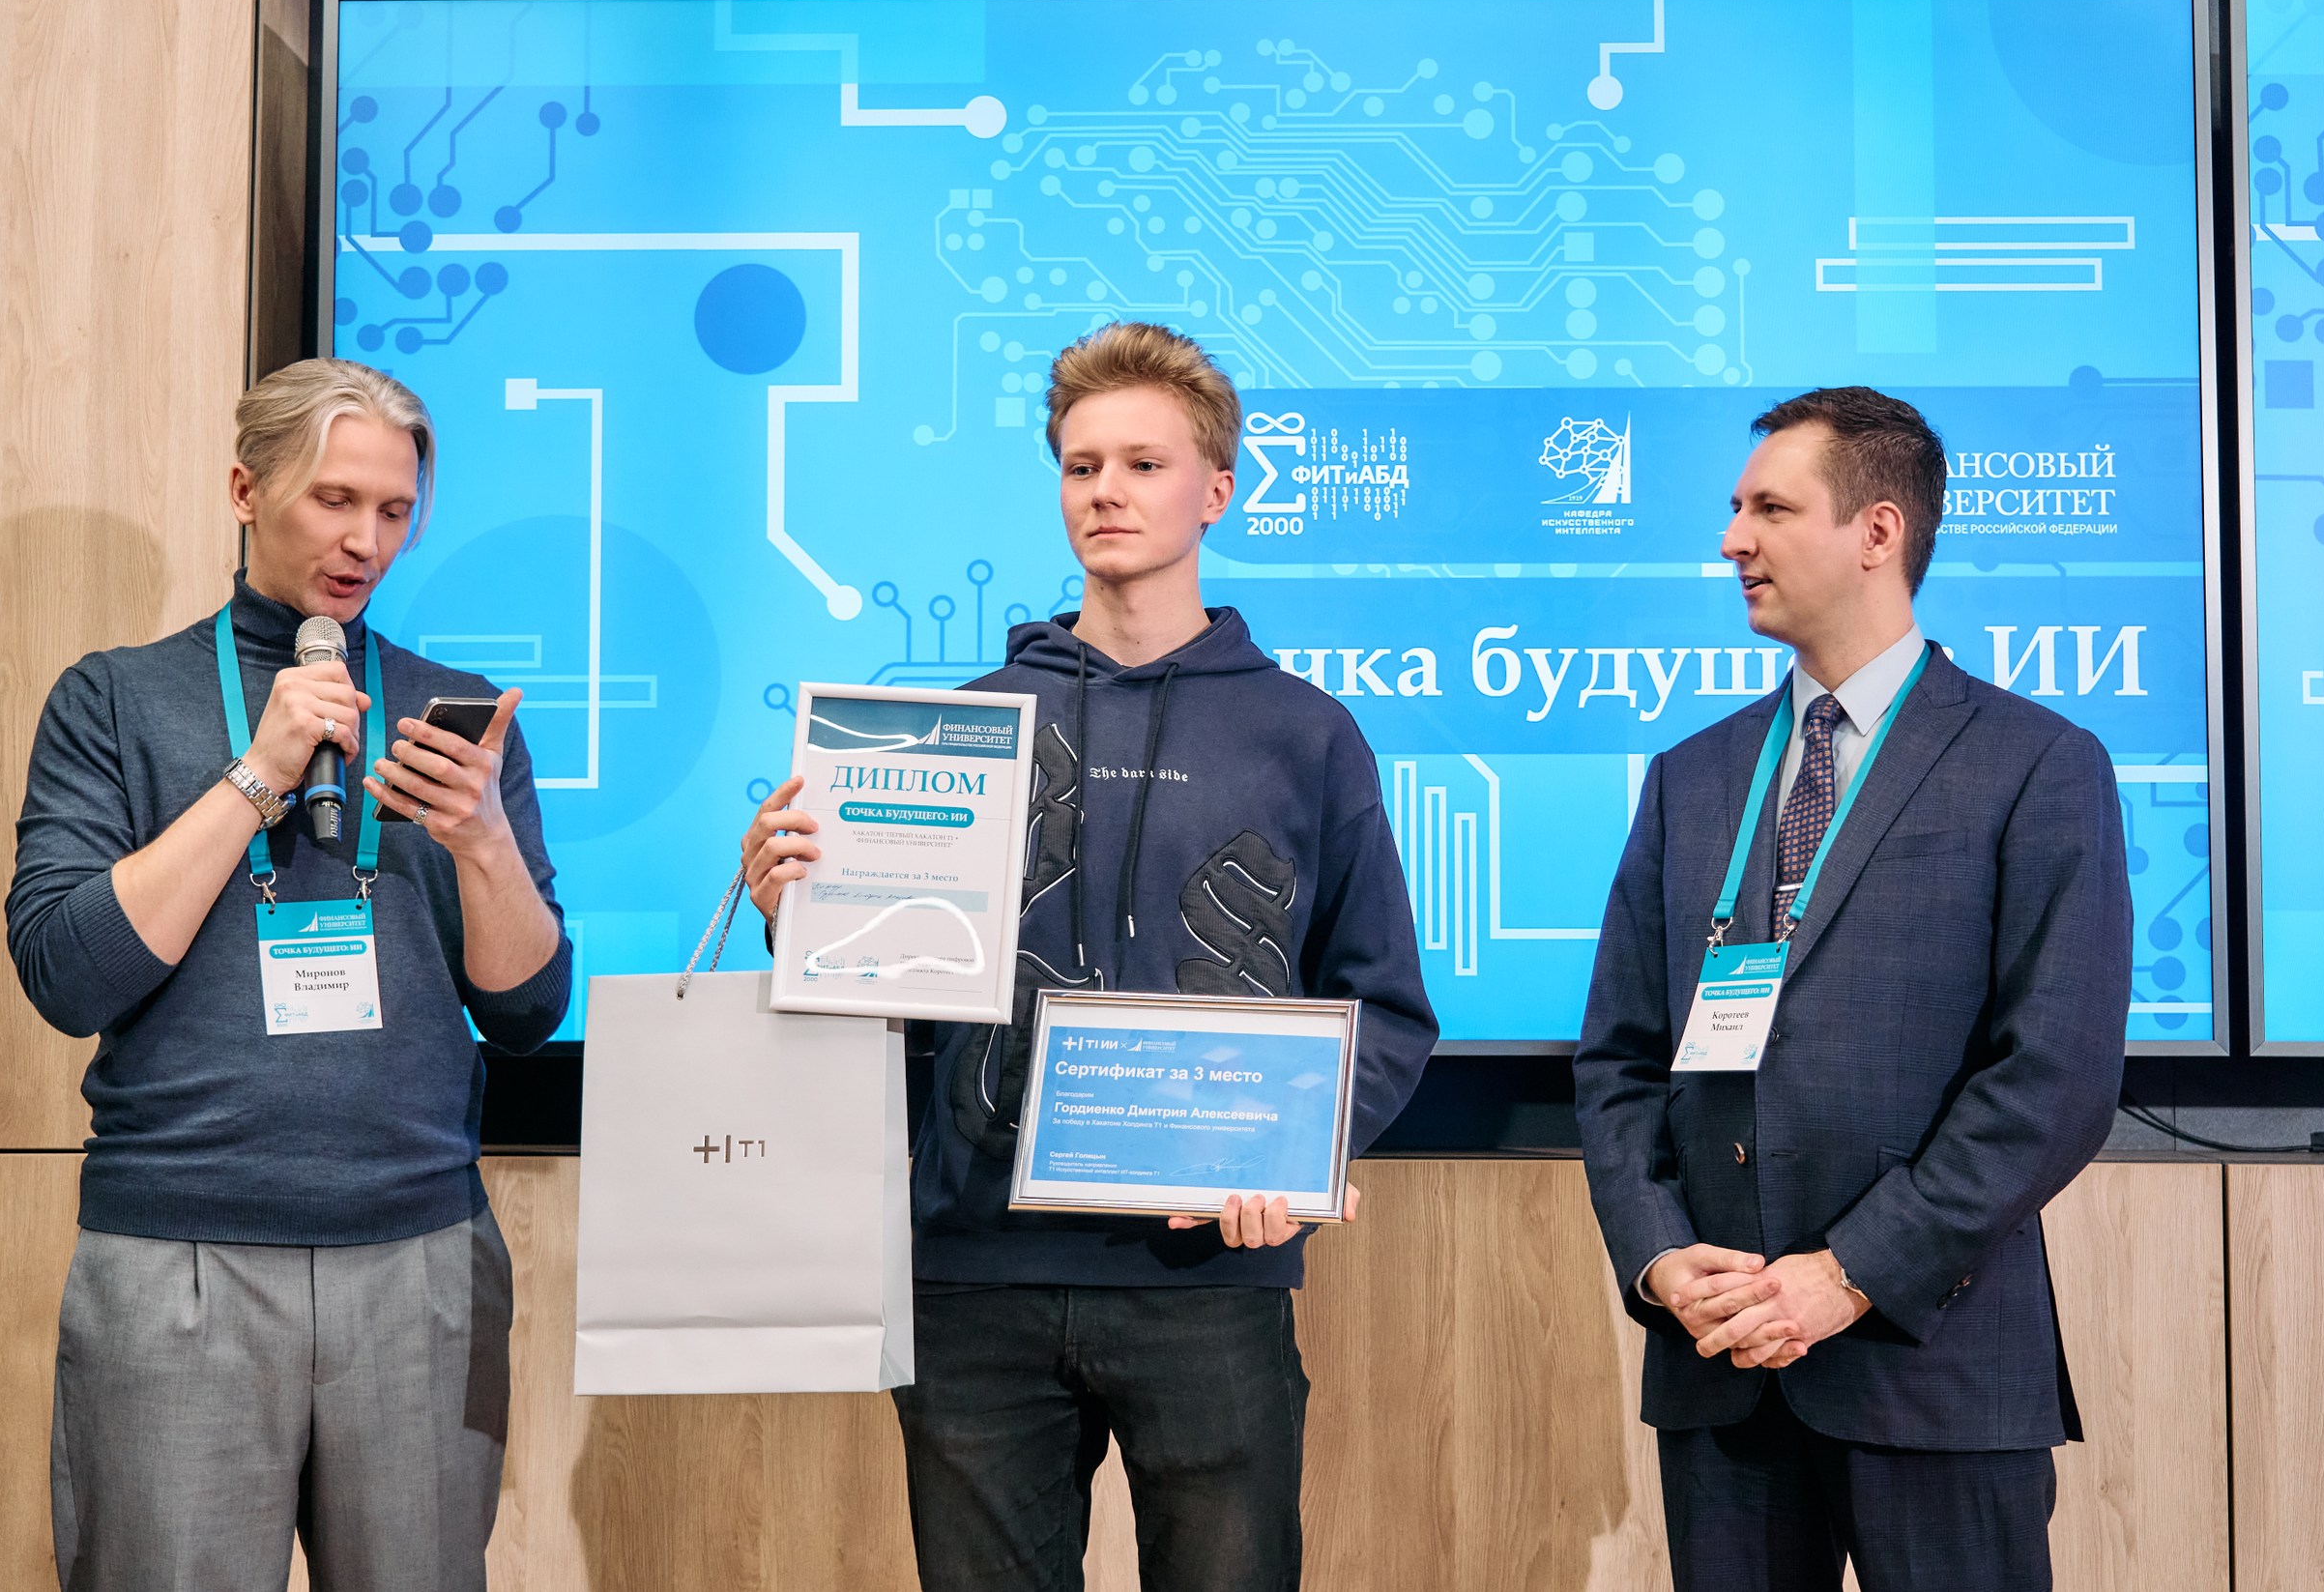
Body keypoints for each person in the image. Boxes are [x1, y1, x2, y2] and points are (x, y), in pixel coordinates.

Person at [739, 321, 1437, 1591]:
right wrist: (801, 915)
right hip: (973, 1277)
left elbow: (1384, 1005)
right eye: (1081, 465)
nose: (1105, 490)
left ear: (1215, 490)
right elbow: (883, 999)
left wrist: (1293, 1149)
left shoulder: (1304, 734)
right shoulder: (953, 730)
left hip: (1205, 1276)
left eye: (1142, 464)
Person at [8, 358, 572, 1592]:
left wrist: (483, 844)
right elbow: (66, 977)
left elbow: (529, 1012)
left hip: (420, 1254)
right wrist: (258, 773)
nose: (366, 541)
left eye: (394, 509)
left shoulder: (459, 716)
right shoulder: (115, 700)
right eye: (334, 500)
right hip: (179, 1258)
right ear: (244, 490)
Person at [1571, 387, 2130, 1592]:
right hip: (1721, 1362)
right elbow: (1618, 1061)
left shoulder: (2035, 764)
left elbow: (2056, 1078)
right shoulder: (1691, 777)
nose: (1733, 539)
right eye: (1736, 509)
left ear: (1877, 531)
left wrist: (1848, 1273)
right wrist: (1660, 1260)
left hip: (1930, 1364)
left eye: (1770, 509)